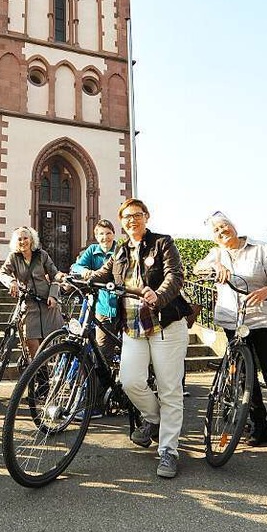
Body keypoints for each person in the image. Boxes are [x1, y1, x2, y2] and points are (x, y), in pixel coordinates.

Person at [86, 199, 191, 478]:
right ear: (121, 221)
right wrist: (70, 277)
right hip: (133, 327)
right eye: (127, 216)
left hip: (164, 324)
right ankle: (154, 419)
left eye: (137, 215)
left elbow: (175, 275)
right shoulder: (120, 251)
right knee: (131, 381)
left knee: (170, 389)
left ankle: (168, 450)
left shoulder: (162, 243)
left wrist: (160, 295)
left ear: (146, 217)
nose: (132, 220)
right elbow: (100, 274)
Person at [194, 212, 267, 457]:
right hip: (233, 320)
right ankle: (259, 427)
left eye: (224, 226)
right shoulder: (216, 252)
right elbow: (198, 268)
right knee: (243, 377)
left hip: (262, 319)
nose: (222, 231)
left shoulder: (260, 248)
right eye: (216, 230)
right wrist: (216, 264)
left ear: (233, 225)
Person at [0, 226, 64, 359]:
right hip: (28, 304)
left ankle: (55, 373)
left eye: (25, 238)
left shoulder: (42, 255)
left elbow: (55, 275)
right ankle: (39, 375)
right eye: (19, 239)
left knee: (53, 341)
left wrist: (54, 295)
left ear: (31, 240)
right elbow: (1, 274)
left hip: (48, 303)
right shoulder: (14, 257)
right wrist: (11, 282)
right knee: (31, 341)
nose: (23, 241)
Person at [71, 219, 120, 361]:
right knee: (102, 348)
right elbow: (76, 266)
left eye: (108, 233)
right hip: (102, 304)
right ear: (96, 236)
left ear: (114, 234)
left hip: (120, 303)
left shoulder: (119, 250)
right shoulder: (92, 250)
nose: (105, 237)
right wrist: (84, 270)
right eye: (101, 234)